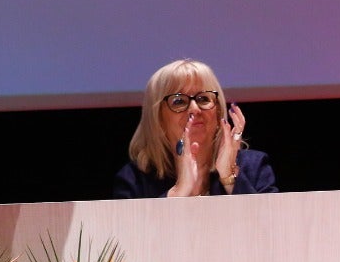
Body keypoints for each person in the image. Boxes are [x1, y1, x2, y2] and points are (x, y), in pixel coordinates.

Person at [112, 58, 278, 198]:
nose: (194, 109)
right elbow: (133, 235)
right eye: (179, 101)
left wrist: (229, 178)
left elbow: (271, 229)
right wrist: (178, 192)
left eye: (203, 98)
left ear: (218, 110)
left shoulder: (253, 166)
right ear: (157, 116)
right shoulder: (133, 179)